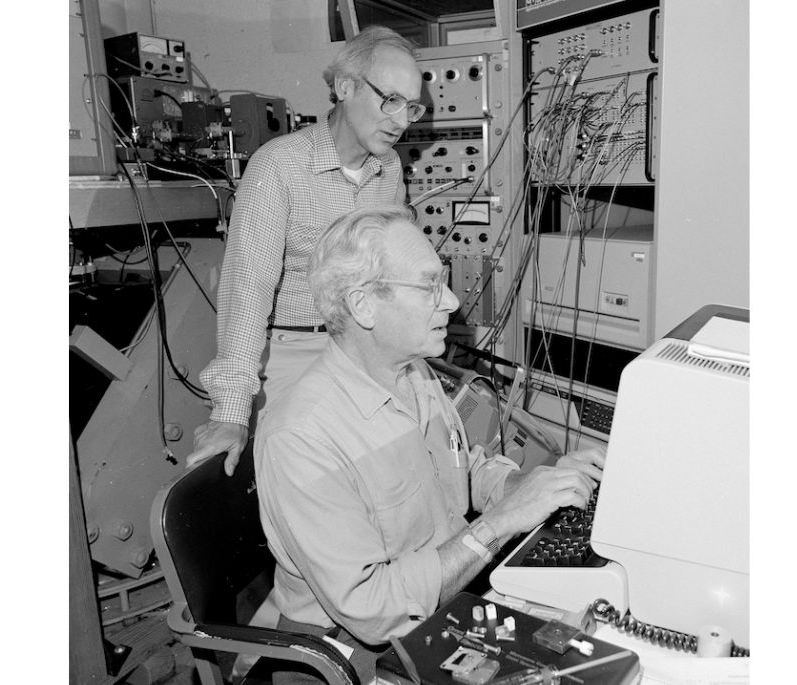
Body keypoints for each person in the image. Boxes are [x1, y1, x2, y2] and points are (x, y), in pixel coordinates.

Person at [254, 206, 606, 684]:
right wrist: (500, 524)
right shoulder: (301, 437)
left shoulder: (413, 372)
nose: (453, 300)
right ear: (363, 305)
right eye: (429, 286)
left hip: (449, 597)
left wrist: (539, 485)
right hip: (350, 653)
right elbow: (373, 609)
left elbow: (466, 469)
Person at [186, 26, 426, 475]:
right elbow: (246, 291)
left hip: (362, 347)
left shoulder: (389, 169)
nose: (401, 120)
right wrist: (231, 413)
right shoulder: (278, 166)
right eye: (390, 99)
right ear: (345, 86)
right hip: (294, 350)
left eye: (412, 106)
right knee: (316, 485)